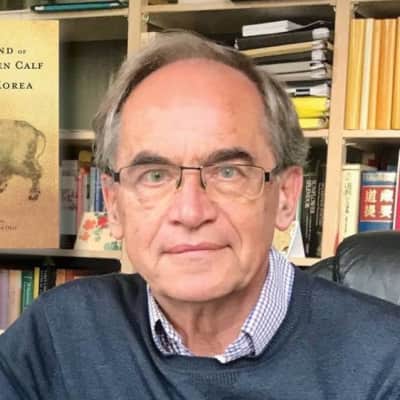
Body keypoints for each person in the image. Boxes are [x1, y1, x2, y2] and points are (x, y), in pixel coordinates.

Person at [1, 31, 400, 400]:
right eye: (154, 175)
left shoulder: (386, 361)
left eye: (228, 172)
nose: (190, 212)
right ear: (115, 204)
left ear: (285, 195)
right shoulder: (58, 332)